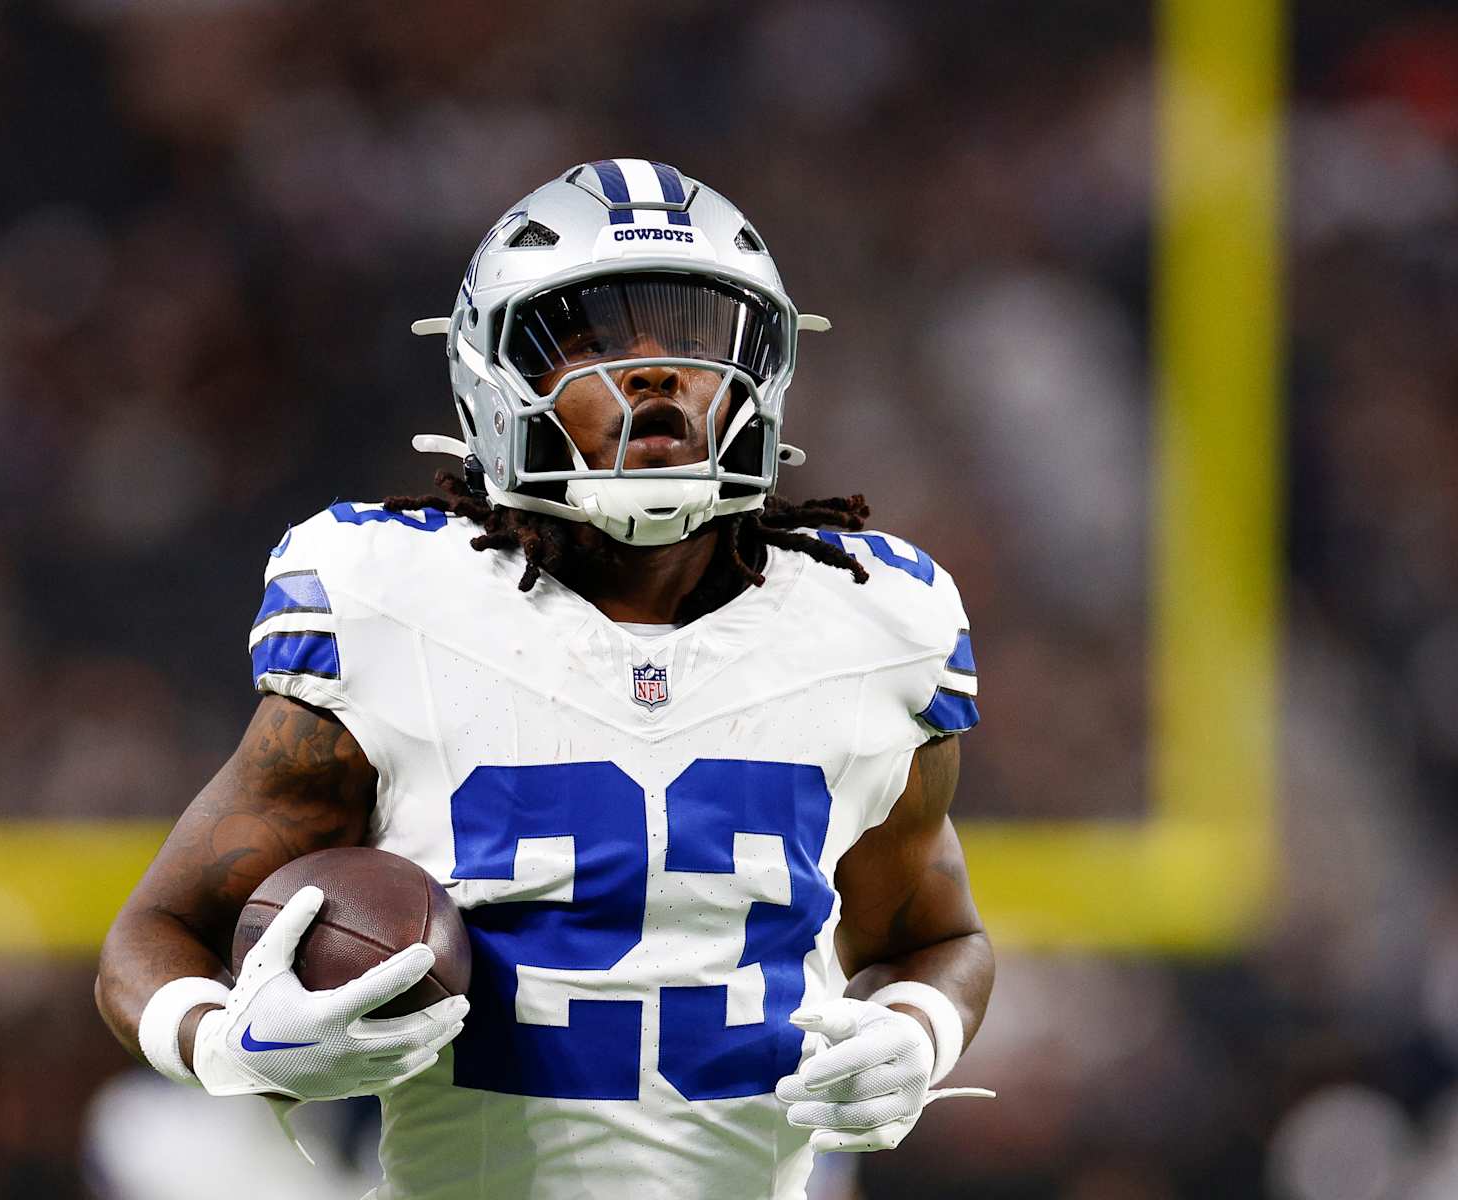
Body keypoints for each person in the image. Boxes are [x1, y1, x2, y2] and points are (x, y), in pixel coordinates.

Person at [96, 159, 996, 1200]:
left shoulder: (874, 623)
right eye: (595, 338)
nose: (655, 372)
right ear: (493, 376)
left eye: (696, 338)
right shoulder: (392, 602)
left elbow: (938, 937)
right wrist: (228, 1045)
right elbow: (151, 937)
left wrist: (915, 1032)